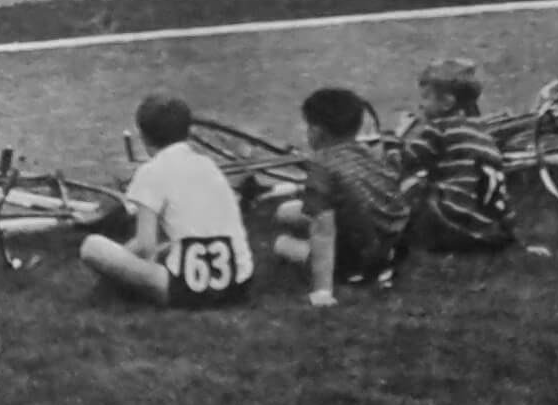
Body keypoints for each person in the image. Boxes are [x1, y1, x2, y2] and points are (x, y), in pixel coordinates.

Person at [79, 93, 254, 309]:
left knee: (92, 247)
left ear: (143, 137)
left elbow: (145, 246)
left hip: (189, 291)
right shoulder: (208, 165)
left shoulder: (151, 172)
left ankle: (123, 286)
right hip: (238, 284)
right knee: (172, 247)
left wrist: (118, 263)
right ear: (187, 132)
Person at [273, 88, 410, 305]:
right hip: (394, 243)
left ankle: (347, 267)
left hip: (359, 255)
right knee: (285, 212)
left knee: (282, 244)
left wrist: (322, 292)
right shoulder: (368, 153)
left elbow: (322, 230)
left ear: (317, 132)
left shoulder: (322, 166)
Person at [393, 59, 517, 253]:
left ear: (447, 103)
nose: (420, 105)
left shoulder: (440, 129)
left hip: (457, 223)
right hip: (491, 227)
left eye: (426, 98)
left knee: (412, 186)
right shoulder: (482, 133)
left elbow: (406, 160)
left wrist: (397, 137)